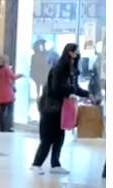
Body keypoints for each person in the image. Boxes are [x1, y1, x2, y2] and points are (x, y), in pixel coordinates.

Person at [31, 43, 88, 175]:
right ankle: (36, 164)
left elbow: (75, 87)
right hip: (51, 108)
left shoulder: (72, 70)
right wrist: (71, 91)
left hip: (62, 109)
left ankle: (55, 164)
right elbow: (56, 88)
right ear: (69, 52)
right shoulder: (59, 69)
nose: (78, 54)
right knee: (47, 137)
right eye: (76, 52)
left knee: (59, 137)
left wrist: (87, 94)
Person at [0, 56, 20, 133]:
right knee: (10, 110)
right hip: (8, 91)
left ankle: (2, 127)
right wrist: (20, 75)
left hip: (0, 92)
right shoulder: (6, 69)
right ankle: (9, 126)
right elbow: (13, 77)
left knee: (2, 110)